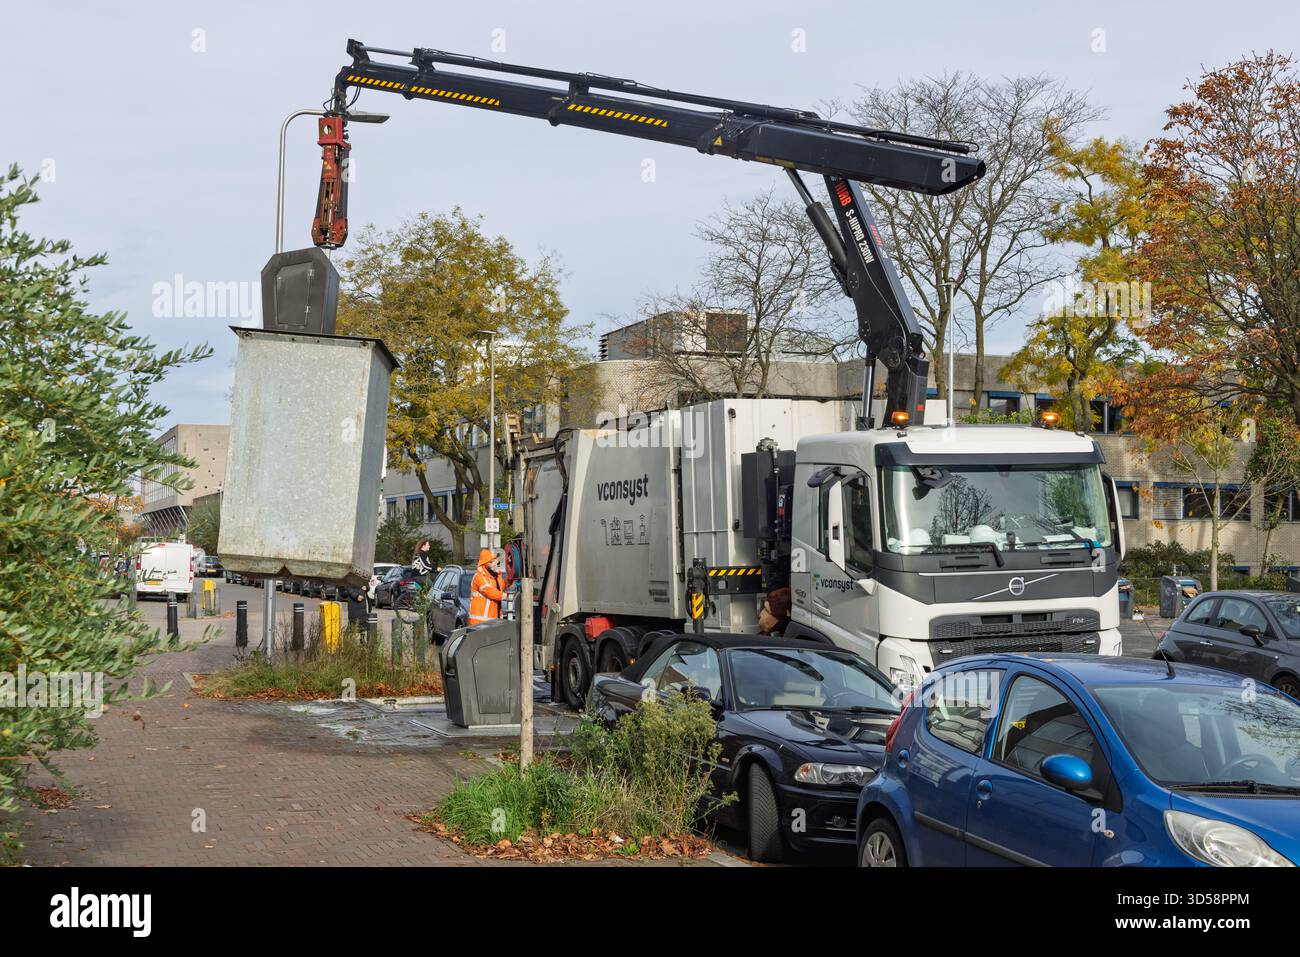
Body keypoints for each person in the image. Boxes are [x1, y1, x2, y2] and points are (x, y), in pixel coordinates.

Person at [468, 548, 506, 626]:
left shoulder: (495, 576)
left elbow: (502, 586)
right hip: (480, 622)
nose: (495, 563)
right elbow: (490, 592)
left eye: (495, 560)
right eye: (491, 561)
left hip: (492, 620)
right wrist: (505, 596)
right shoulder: (479, 577)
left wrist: (511, 580)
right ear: (484, 563)